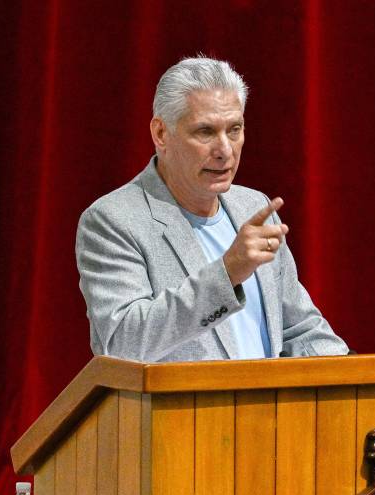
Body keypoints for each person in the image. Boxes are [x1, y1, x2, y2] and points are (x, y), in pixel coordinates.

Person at [75, 56, 348, 362]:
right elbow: (124, 343)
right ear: (161, 134)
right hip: (179, 411)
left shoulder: (254, 207)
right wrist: (227, 273)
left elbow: (300, 329)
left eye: (234, 129)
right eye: (205, 132)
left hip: (266, 409)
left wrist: (355, 383)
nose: (225, 150)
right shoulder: (114, 220)